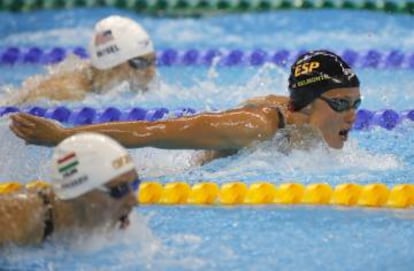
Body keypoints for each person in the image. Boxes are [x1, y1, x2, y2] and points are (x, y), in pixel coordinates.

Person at [9, 50, 361, 161]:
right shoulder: (256, 125)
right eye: (341, 103)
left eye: (356, 104)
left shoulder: (313, 123)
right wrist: (63, 135)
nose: (352, 116)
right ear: (308, 103)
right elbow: (151, 132)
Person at [0, 133, 139, 246]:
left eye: (135, 184)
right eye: (119, 189)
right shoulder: (16, 222)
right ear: (80, 193)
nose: (134, 201)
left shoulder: (89, 225)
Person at [4, 15, 156, 105]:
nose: (151, 71)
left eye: (153, 61)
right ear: (112, 65)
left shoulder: (104, 86)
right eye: (140, 63)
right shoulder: (66, 92)